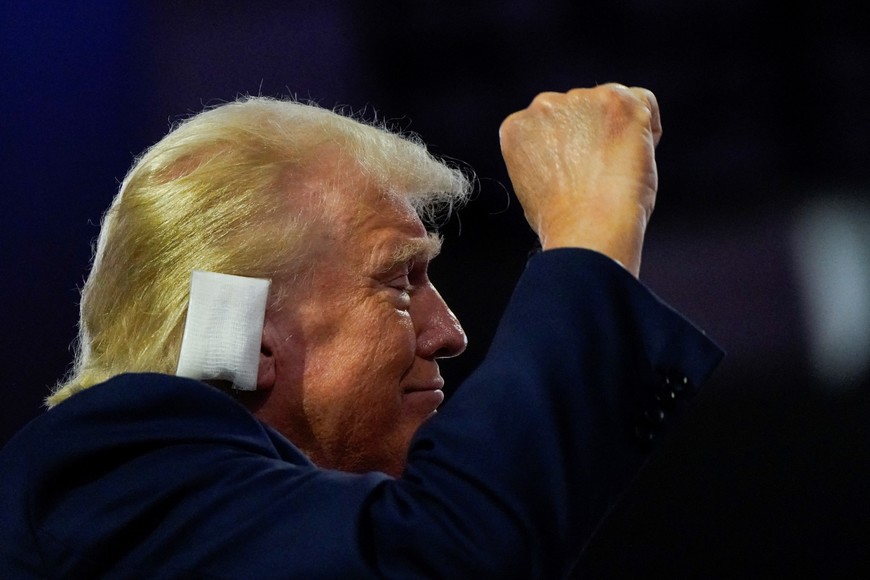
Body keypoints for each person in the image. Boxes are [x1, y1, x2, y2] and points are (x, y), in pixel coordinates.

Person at [0, 84, 722, 578]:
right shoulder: (108, 472)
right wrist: (589, 233)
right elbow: (443, 555)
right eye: (399, 280)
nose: (450, 332)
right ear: (244, 335)